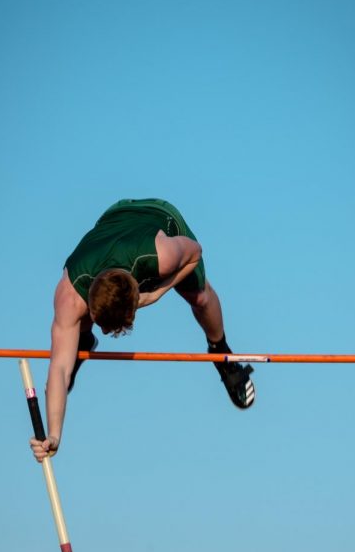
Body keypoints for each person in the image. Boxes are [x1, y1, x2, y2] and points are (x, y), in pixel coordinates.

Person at [30, 198, 255, 462]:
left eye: (109, 327)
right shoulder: (69, 295)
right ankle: (81, 340)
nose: (106, 333)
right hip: (114, 218)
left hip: (162, 220)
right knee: (68, 343)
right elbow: (57, 368)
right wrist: (55, 435)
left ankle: (222, 353)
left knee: (200, 297)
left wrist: (159, 291)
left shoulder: (164, 255)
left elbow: (195, 252)